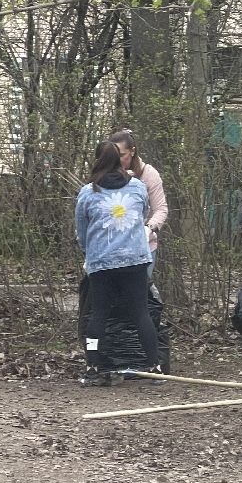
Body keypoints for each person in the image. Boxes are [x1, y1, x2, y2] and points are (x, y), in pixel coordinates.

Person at [75, 140, 161, 385]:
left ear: (97, 161)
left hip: (101, 263)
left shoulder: (88, 192)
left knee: (98, 315)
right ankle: (154, 366)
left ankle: (93, 366)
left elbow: (81, 230)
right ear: (121, 160)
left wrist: (89, 251)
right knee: (140, 313)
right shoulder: (137, 188)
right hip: (135, 260)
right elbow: (143, 215)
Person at [108, 127, 167, 276]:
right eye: (114, 155)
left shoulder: (149, 174)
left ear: (132, 151)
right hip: (112, 248)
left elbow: (161, 209)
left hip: (143, 249)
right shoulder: (106, 174)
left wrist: (149, 228)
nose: (118, 160)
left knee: (141, 292)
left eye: (122, 155)